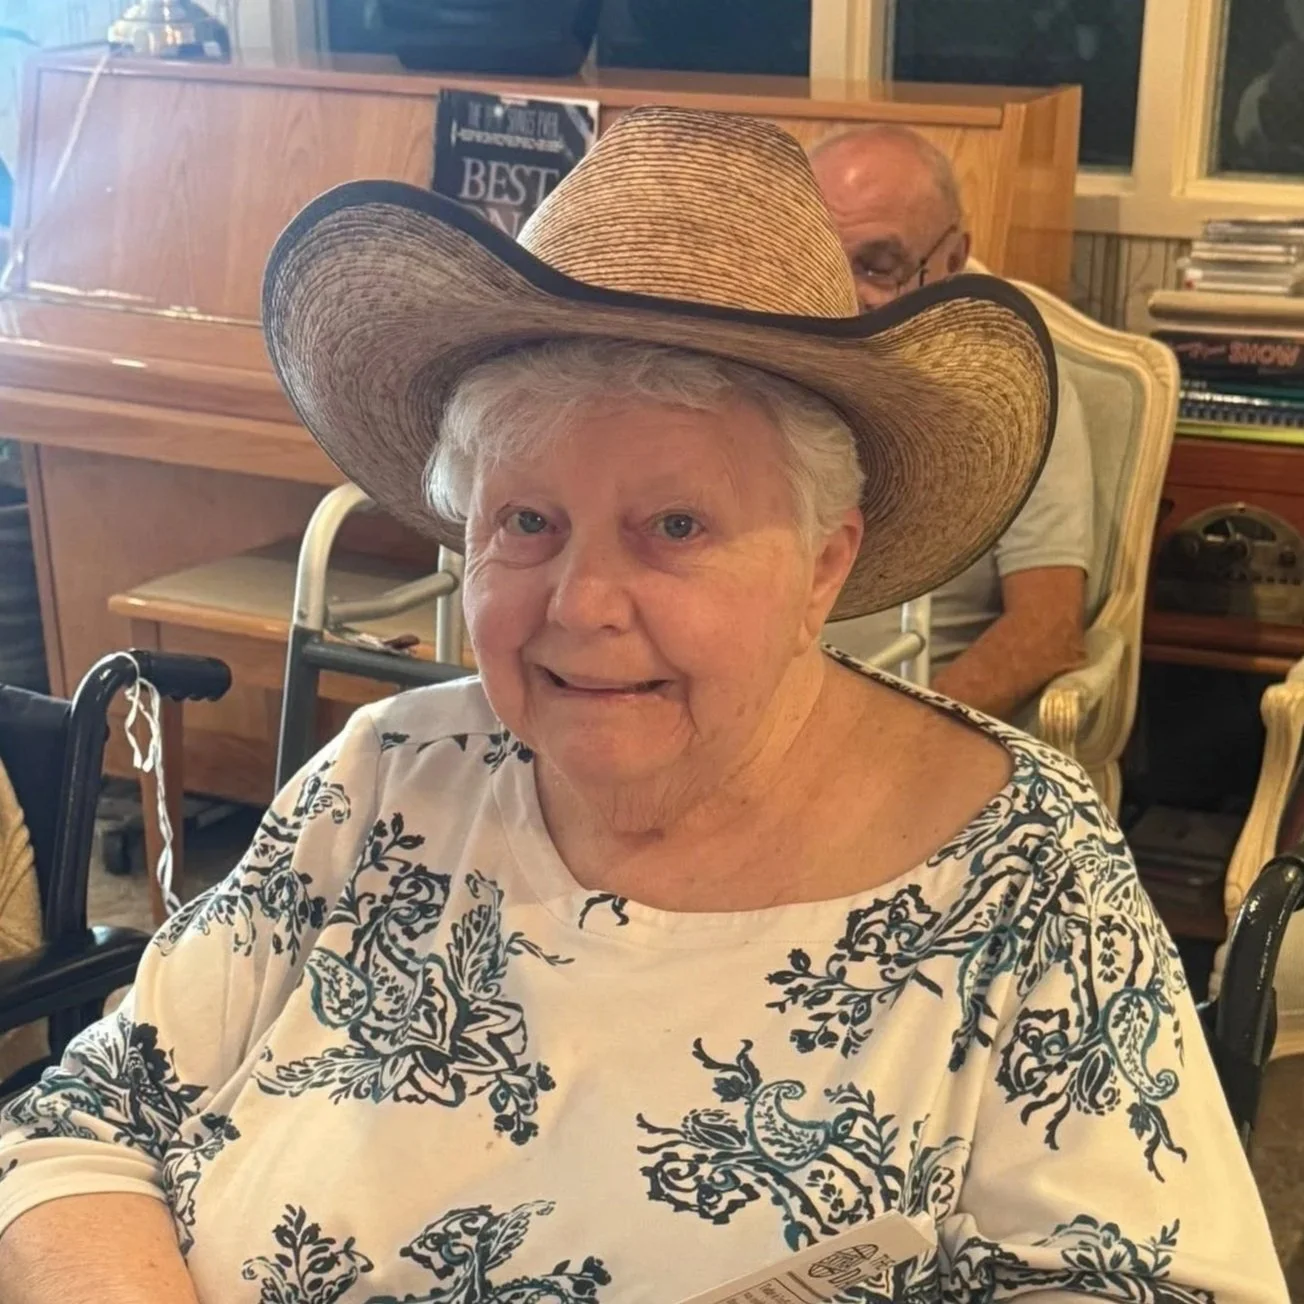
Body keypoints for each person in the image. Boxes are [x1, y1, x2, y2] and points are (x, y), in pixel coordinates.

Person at [0, 108, 1285, 1304]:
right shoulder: (389, 774)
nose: (581, 602)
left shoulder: (1018, 872)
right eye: (526, 520)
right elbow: (80, 1124)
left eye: (673, 524)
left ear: (821, 564)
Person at [811, 124, 1093, 724]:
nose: (846, 293)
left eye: (879, 265)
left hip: (913, 726)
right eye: (822, 261)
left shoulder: (1017, 388)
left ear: (954, 259)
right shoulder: (763, 368)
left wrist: (904, 738)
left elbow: (1048, 627)